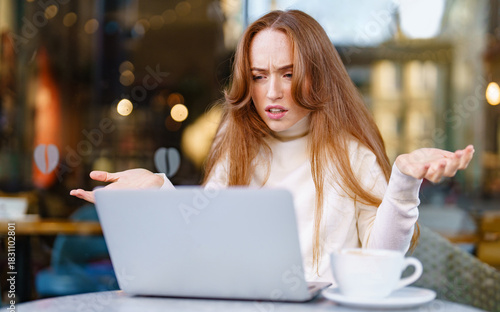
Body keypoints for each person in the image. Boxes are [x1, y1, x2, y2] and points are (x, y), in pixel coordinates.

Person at [70, 10, 474, 283]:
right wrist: (158, 192)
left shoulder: (353, 156)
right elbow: (204, 250)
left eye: (288, 73)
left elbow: (381, 266)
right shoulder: (236, 151)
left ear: (317, 76)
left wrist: (402, 183)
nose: (273, 93)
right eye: (260, 76)